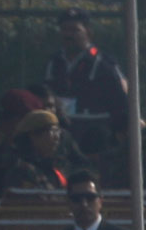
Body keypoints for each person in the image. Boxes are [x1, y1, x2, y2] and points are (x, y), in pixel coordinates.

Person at [42, 9, 131, 164]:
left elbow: (121, 104)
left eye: (75, 30)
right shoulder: (54, 62)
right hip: (62, 137)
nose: (68, 34)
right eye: (64, 30)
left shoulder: (103, 64)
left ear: (88, 33)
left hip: (95, 139)